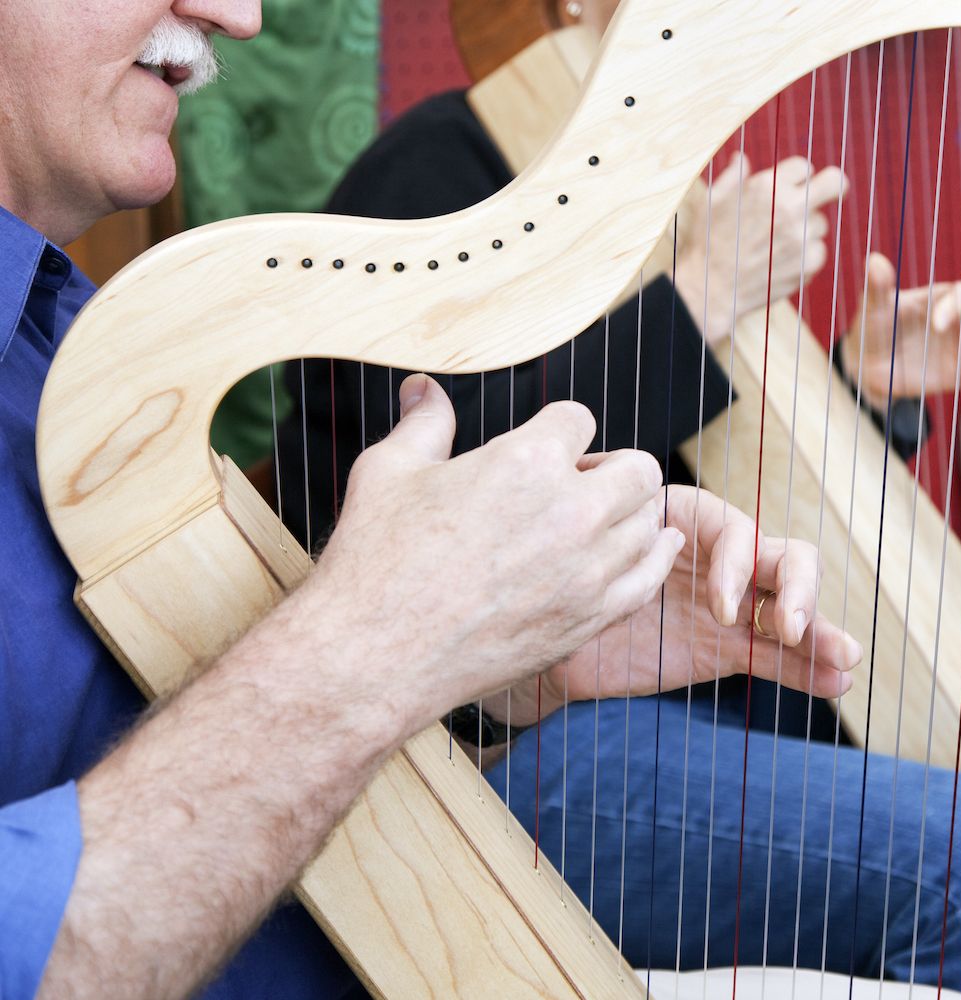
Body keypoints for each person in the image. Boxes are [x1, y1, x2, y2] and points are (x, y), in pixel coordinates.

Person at [269, 3, 961, 994]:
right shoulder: (433, 176)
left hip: (686, 675)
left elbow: (707, 471)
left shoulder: (646, 191)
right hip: (493, 734)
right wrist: (700, 298)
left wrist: (867, 387)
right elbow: (442, 477)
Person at [0, 4, 861, 999]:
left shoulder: (70, 336)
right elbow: (414, 439)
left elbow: (191, 728)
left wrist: (495, 674)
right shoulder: (423, 175)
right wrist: (398, 633)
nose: (240, 15)